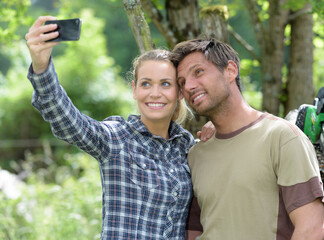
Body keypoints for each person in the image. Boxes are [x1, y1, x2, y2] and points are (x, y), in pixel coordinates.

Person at [25, 16, 214, 240]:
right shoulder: (115, 138)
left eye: (165, 84)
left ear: (179, 92)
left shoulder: (187, 147)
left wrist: (216, 138)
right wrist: (41, 65)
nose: (155, 93)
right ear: (134, 90)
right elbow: (66, 119)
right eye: (146, 83)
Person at [171, 38, 324, 240]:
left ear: (230, 71)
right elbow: (194, 232)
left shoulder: (281, 137)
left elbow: (311, 230)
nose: (189, 86)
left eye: (198, 72)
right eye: (182, 82)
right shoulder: (196, 154)